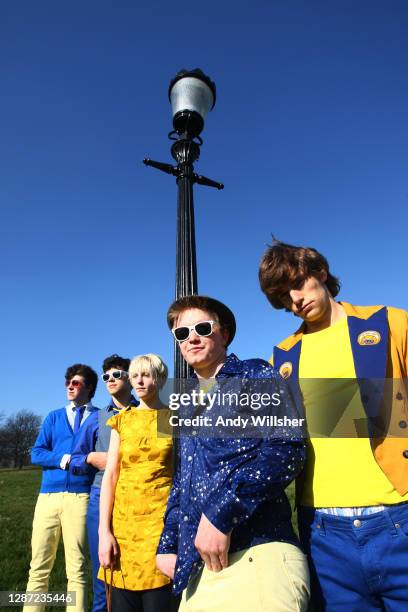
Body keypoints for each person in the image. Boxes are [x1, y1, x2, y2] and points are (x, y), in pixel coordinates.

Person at [259, 239, 408, 611]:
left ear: (319, 272)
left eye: (296, 283)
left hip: (398, 517)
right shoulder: (282, 357)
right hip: (324, 533)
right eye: (281, 296)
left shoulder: (391, 324)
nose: (293, 299)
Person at [156, 295, 309, 612]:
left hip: (258, 555)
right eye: (181, 333)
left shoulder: (254, 374)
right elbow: (181, 482)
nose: (192, 337)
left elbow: (286, 449)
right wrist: (168, 544)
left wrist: (222, 513)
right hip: (199, 569)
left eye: (201, 327)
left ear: (223, 333)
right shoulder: (185, 405)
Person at [98, 354, 174, 612]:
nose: (139, 381)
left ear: (160, 378)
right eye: (134, 376)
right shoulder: (122, 420)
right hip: (123, 530)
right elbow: (110, 477)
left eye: (146, 375)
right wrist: (103, 532)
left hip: (160, 527)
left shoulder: (171, 418)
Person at [24, 363, 99, 612]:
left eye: (76, 383)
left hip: (81, 498)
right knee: (38, 568)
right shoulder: (54, 417)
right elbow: (36, 453)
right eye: (68, 382)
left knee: (76, 570)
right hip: (47, 498)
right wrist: (62, 459)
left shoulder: (102, 416)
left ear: (89, 387)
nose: (70, 386)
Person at [70, 354, 138, 612]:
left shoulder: (150, 411)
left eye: (117, 375)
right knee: (104, 572)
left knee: (135, 567)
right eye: (106, 376)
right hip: (101, 496)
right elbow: (76, 459)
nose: (110, 379)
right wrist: (90, 457)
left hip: (139, 496)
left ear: (130, 378)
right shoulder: (96, 419)